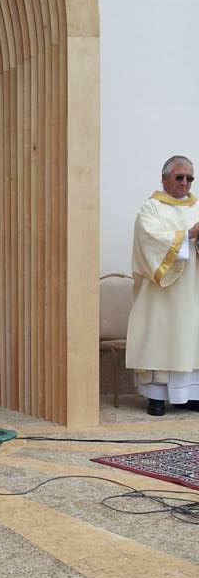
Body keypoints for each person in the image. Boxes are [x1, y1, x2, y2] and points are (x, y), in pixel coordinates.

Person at [126, 155, 199, 416]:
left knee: (190, 338)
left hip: (192, 290)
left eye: (189, 178)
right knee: (159, 337)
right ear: (164, 178)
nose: (184, 183)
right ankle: (155, 398)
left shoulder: (196, 206)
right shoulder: (151, 208)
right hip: (161, 291)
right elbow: (149, 240)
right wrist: (188, 235)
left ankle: (188, 395)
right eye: (179, 177)